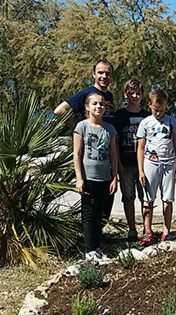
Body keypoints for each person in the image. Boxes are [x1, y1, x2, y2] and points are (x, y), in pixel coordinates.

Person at [55, 59, 117, 224]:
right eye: (100, 73)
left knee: (106, 203)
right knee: (91, 206)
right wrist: (78, 128)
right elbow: (59, 111)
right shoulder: (86, 94)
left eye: (107, 73)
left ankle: (98, 234)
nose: (104, 76)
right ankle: (89, 236)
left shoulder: (109, 96)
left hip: (107, 157)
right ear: (93, 74)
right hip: (90, 159)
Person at [72, 92, 119, 261]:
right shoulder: (82, 127)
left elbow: (113, 155)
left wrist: (114, 177)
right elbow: (77, 154)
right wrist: (79, 178)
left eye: (102, 104)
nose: (99, 107)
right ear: (87, 107)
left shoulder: (109, 130)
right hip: (89, 178)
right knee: (90, 214)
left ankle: (98, 247)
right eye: (95, 104)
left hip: (105, 178)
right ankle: (90, 249)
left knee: (102, 214)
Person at [136, 89, 176, 246]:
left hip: (169, 163)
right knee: (148, 198)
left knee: (167, 198)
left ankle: (166, 231)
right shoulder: (145, 123)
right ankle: (147, 231)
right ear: (149, 104)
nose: (159, 113)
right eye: (156, 110)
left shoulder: (171, 122)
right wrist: (141, 170)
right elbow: (140, 148)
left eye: (162, 110)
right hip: (151, 163)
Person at [114, 79, 151, 241]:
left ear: (142, 95)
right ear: (125, 95)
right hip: (126, 163)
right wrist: (118, 164)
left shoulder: (147, 116)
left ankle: (147, 229)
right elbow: (115, 142)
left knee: (146, 197)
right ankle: (132, 229)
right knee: (128, 197)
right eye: (131, 93)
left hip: (146, 164)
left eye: (138, 93)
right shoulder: (119, 115)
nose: (135, 96)